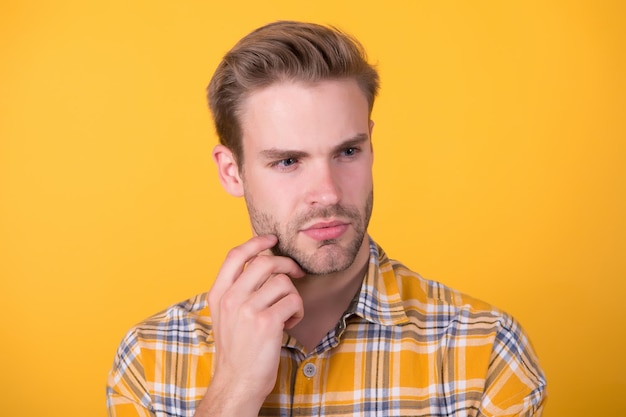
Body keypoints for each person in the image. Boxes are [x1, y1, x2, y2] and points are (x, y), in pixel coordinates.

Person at [106, 21, 546, 417]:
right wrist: (233, 391)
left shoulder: (483, 351)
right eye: (287, 161)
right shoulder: (151, 359)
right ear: (231, 171)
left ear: (371, 145)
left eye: (348, 152)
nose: (329, 193)